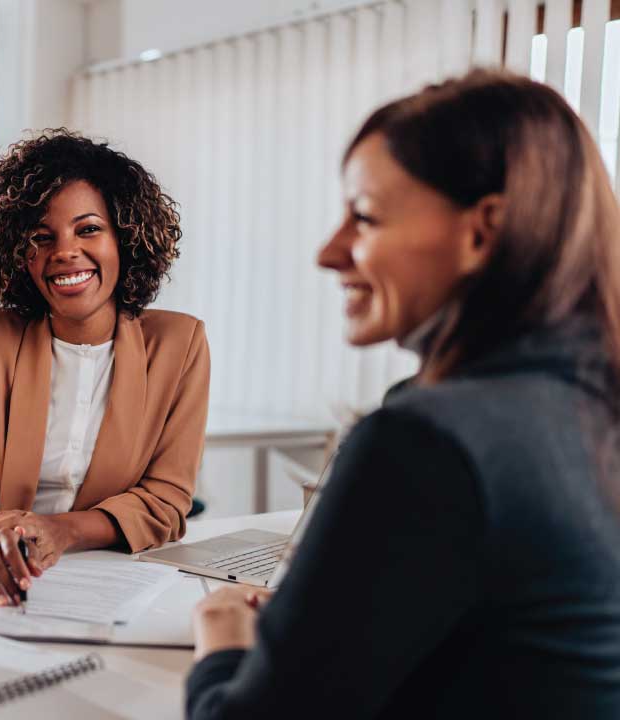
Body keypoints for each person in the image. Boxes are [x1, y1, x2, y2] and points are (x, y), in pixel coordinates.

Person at [187, 70, 620, 718]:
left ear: (482, 231)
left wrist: (223, 643)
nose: (328, 252)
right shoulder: (588, 412)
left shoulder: (429, 441)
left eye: (363, 216)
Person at [0, 130, 210, 606]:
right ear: (18, 253)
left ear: (125, 236)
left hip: (114, 583)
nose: (64, 252)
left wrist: (59, 532)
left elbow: (164, 501)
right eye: (42, 236)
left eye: (88, 229)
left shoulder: (179, 345)